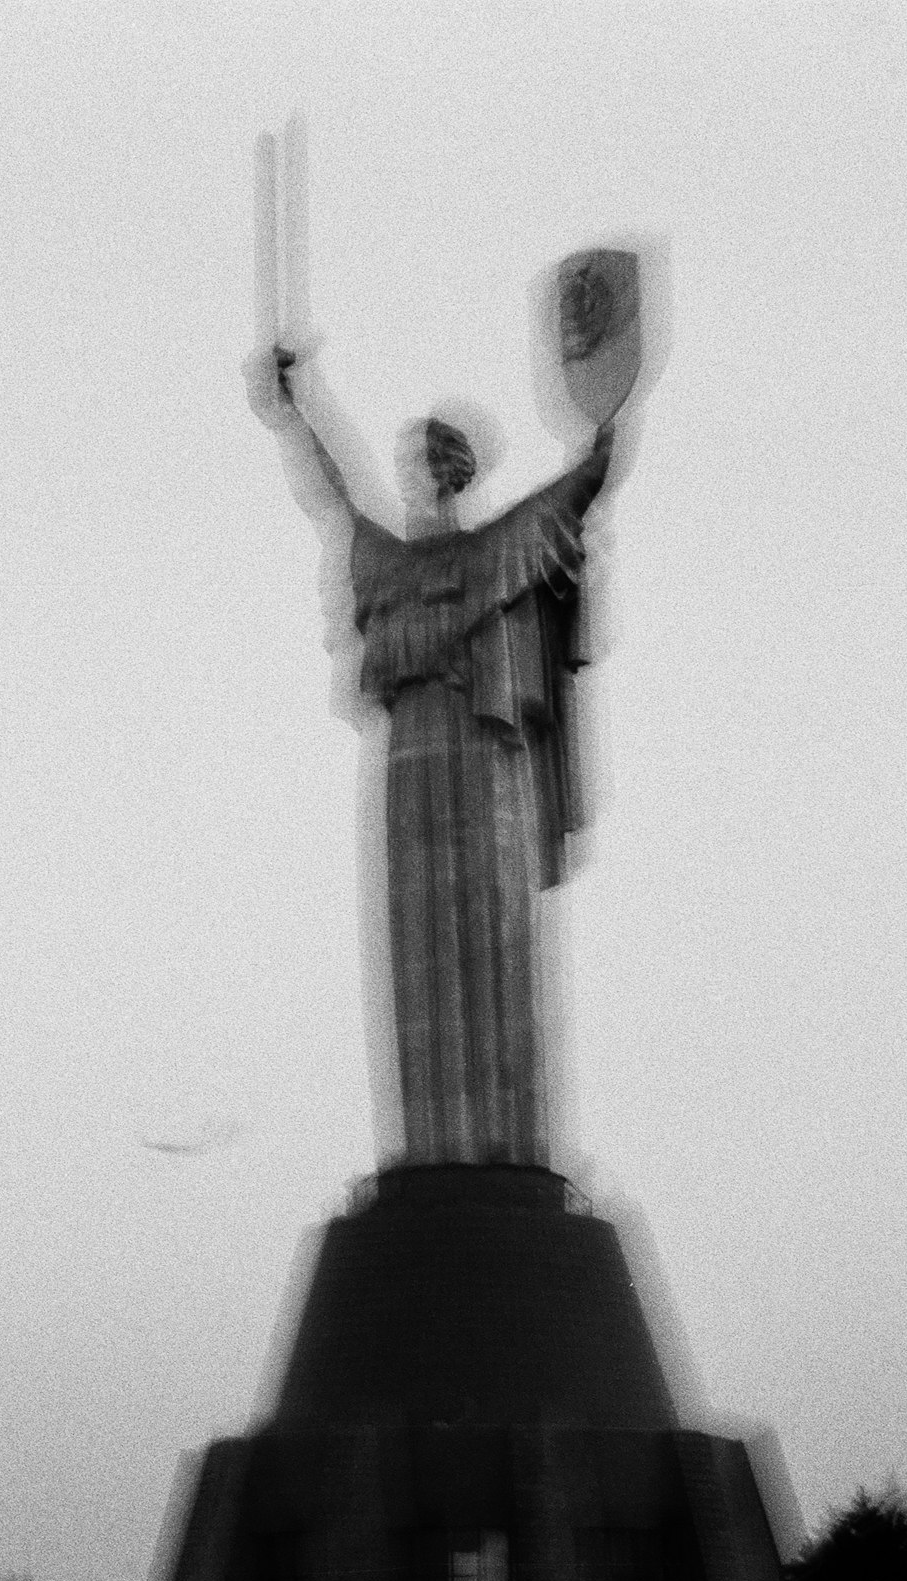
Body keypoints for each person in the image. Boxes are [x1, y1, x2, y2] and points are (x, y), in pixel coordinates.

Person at [249, 346, 613, 1166]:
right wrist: (294, 411)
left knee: (492, 940)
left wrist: (604, 432)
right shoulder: (391, 562)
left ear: (456, 474)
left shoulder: (494, 552)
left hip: (485, 764)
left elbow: (573, 496)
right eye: (415, 462)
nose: (421, 476)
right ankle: (429, 1151)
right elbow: (331, 494)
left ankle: (501, 1149)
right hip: (411, 768)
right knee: (417, 954)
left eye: (433, 463)